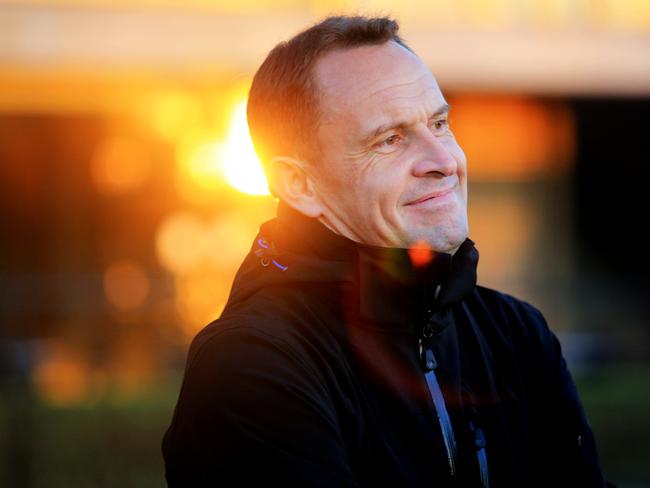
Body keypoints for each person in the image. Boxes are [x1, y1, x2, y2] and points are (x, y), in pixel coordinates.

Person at [162, 15, 614, 487]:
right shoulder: (251, 365)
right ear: (299, 184)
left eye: (439, 124)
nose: (444, 162)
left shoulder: (515, 334)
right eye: (390, 140)